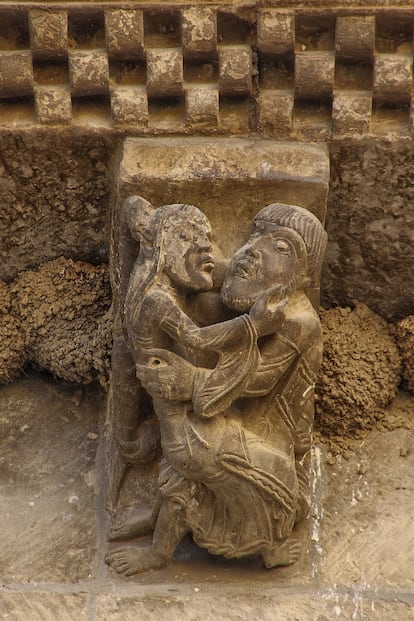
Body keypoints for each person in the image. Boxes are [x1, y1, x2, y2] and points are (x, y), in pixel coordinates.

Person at [106, 200, 326, 575]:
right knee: (192, 458)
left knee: (269, 482)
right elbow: (207, 271)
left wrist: (188, 380)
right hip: (206, 419)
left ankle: (261, 543)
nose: (253, 250)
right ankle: (159, 527)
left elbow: (257, 383)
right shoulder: (253, 288)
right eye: (254, 236)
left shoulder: (298, 320)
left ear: (303, 274)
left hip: (271, 431)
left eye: (280, 247)